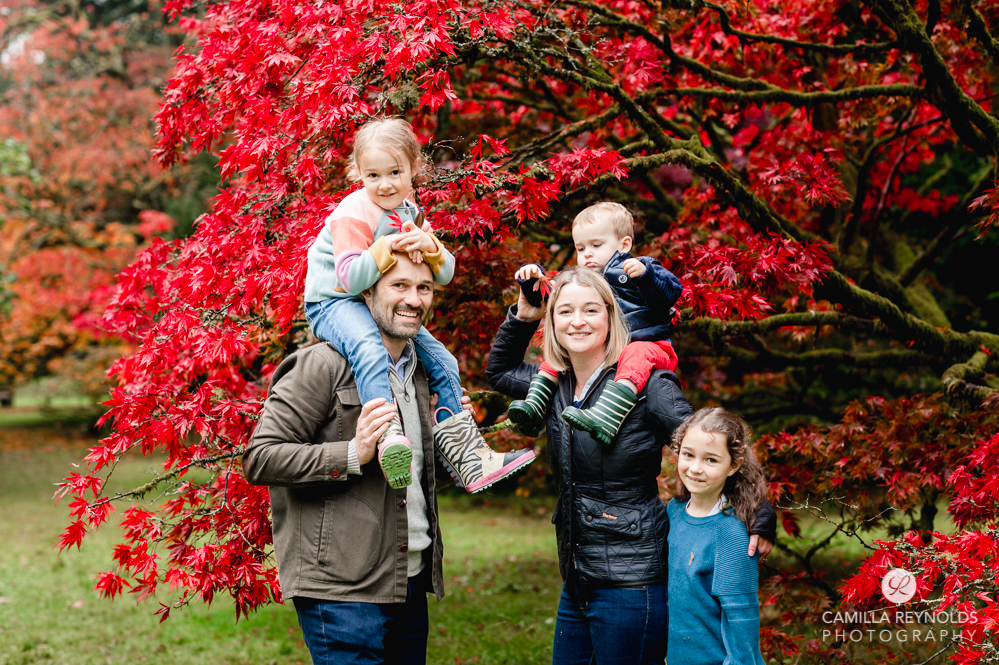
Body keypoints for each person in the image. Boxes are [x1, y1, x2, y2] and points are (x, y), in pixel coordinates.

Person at [244, 254, 527, 664]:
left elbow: (409, 476)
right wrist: (353, 453)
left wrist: (441, 441)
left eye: (424, 288)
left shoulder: (421, 373)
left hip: (408, 578)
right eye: (399, 286)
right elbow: (261, 458)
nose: (413, 299)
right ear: (367, 291)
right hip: (342, 590)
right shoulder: (321, 365)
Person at [486, 267, 776, 665]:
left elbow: (712, 442)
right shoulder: (553, 383)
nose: (577, 321)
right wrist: (522, 315)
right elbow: (499, 371)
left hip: (632, 581)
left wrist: (760, 511)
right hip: (577, 578)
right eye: (565, 311)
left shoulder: (647, 384)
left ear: (611, 315)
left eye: (590, 310)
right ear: (552, 321)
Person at [304, 117, 534, 491]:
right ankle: (387, 434)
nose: (385, 184)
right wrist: (386, 248)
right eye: (373, 175)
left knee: (444, 360)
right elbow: (349, 278)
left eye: (395, 172)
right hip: (334, 302)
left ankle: (469, 457)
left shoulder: (408, 210)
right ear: (358, 173)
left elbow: (444, 275)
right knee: (368, 347)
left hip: (376, 303)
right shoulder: (353, 213)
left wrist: (431, 247)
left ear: (414, 168)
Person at [509, 202, 682, 444]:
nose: (587, 253)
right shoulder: (583, 283)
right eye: (580, 248)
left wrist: (646, 276)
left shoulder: (636, 268)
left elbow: (670, 294)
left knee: (635, 351)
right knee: (558, 357)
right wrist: (531, 279)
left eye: (596, 245)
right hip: (609, 352)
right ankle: (535, 407)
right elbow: (547, 296)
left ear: (624, 245)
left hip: (650, 347)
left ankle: (607, 417)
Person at [666, 408, 769, 665]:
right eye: (688, 455)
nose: (696, 468)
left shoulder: (731, 533)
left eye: (711, 460)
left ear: (733, 465)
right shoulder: (674, 512)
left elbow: (741, 621)